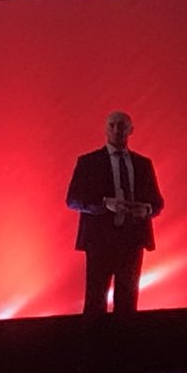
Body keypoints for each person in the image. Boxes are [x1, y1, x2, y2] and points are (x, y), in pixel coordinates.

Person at [65, 110, 163, 315]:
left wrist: (145, 209)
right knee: (95, 302)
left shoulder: (143, 164)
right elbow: (73, 199)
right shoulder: (88, 162)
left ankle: (123, 337)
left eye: (122, 126)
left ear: (131, 130)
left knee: (128, 302)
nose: (117, 130)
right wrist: (104, 204)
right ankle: (95, 337)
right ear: (105, 129)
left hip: (132, 240)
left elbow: (157, 202)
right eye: (112, 125)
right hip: (99, 241)